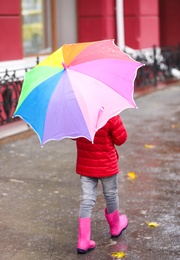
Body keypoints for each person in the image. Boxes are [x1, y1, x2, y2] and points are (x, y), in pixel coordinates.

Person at [75, 115, 128, 254]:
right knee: (110, 195)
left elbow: (73, 136)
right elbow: (121, 139)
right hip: (106, 164)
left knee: (87, 199)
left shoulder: (79, 114)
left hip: (86, 165)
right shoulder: (110, 114)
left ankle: (83, 240)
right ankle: (116, 226)